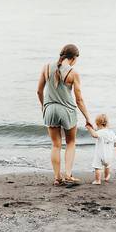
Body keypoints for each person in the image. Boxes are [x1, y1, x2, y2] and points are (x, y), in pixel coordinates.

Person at [36, 44, 93, 186]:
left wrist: (45, 107)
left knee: (55, 145)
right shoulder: (73, 73)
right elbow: (79, 99)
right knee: (70, 143)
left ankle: (57, 178)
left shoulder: (47, 67)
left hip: (50, 109)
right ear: (73, 58)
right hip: (67, 110)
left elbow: (39, 91)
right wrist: (88, 118)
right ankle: (68, 175)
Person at [85, 114, 116, 185]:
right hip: (109, 156)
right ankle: (106, 177)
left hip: (100, 155)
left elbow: (94, 135)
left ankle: (97, 180)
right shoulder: (111, 132)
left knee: (97, 168)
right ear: (107, 123)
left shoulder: (100, 132)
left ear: (98, 124)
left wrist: (89, 128)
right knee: (107, 166)